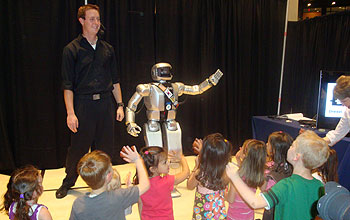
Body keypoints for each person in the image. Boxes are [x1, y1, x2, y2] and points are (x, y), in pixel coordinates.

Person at [57, 3, 125, 199]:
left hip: (105, 104)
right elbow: (67, 85)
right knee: (78, 149)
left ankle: (104, 183)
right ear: (82, 21)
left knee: (105, 149)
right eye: (92, 19)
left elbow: (115, 80)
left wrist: (119, 105)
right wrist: (71, 113)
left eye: (98, 19)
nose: (96, 23)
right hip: (83, 105)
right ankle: (68, 182)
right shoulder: (71, 50)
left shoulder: (107, 49)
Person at [225, 130, 330, 220]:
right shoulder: (319, 185)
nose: (289, 147)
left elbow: (255, 203)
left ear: (296, 157)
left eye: (293, 146)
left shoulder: (286, 185)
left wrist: (235, 177)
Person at [69, 147, 150, 220]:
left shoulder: (78, 204)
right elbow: (145, 185)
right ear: (109, 176)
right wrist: (138, 160)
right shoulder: (119, 196)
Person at [136, 146, 190, 220]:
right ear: (153, 169)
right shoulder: (166, 181)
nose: (168, 163)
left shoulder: (140, 184)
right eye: (164, 162)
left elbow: (140, 204)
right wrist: (182, 158)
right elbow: (186, 173)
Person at [187, 133, 232, 220]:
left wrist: (196, 166)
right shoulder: (227, 172)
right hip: (219, 215)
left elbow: (189, 186)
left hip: (203, 215)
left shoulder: (200, 173)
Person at [226, 139, 266, 220]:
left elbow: (230, 199)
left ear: (244, 155)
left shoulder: (236, 176)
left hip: (234, 217)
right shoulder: (260, 175)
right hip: (249, 216)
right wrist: (238, 159)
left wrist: (224, 193)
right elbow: (263, 190)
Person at [262, 131, 293, 220]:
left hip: (272, 212)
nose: (266, 144)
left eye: (269, 143)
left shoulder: (271, 174)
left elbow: (263, 190)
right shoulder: (290, 167)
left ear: (275, 150)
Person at [324, 75, 350, 146]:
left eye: (344, 101)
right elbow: (337, 133)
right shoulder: (348, 112)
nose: (343, 105)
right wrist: (320, 142)